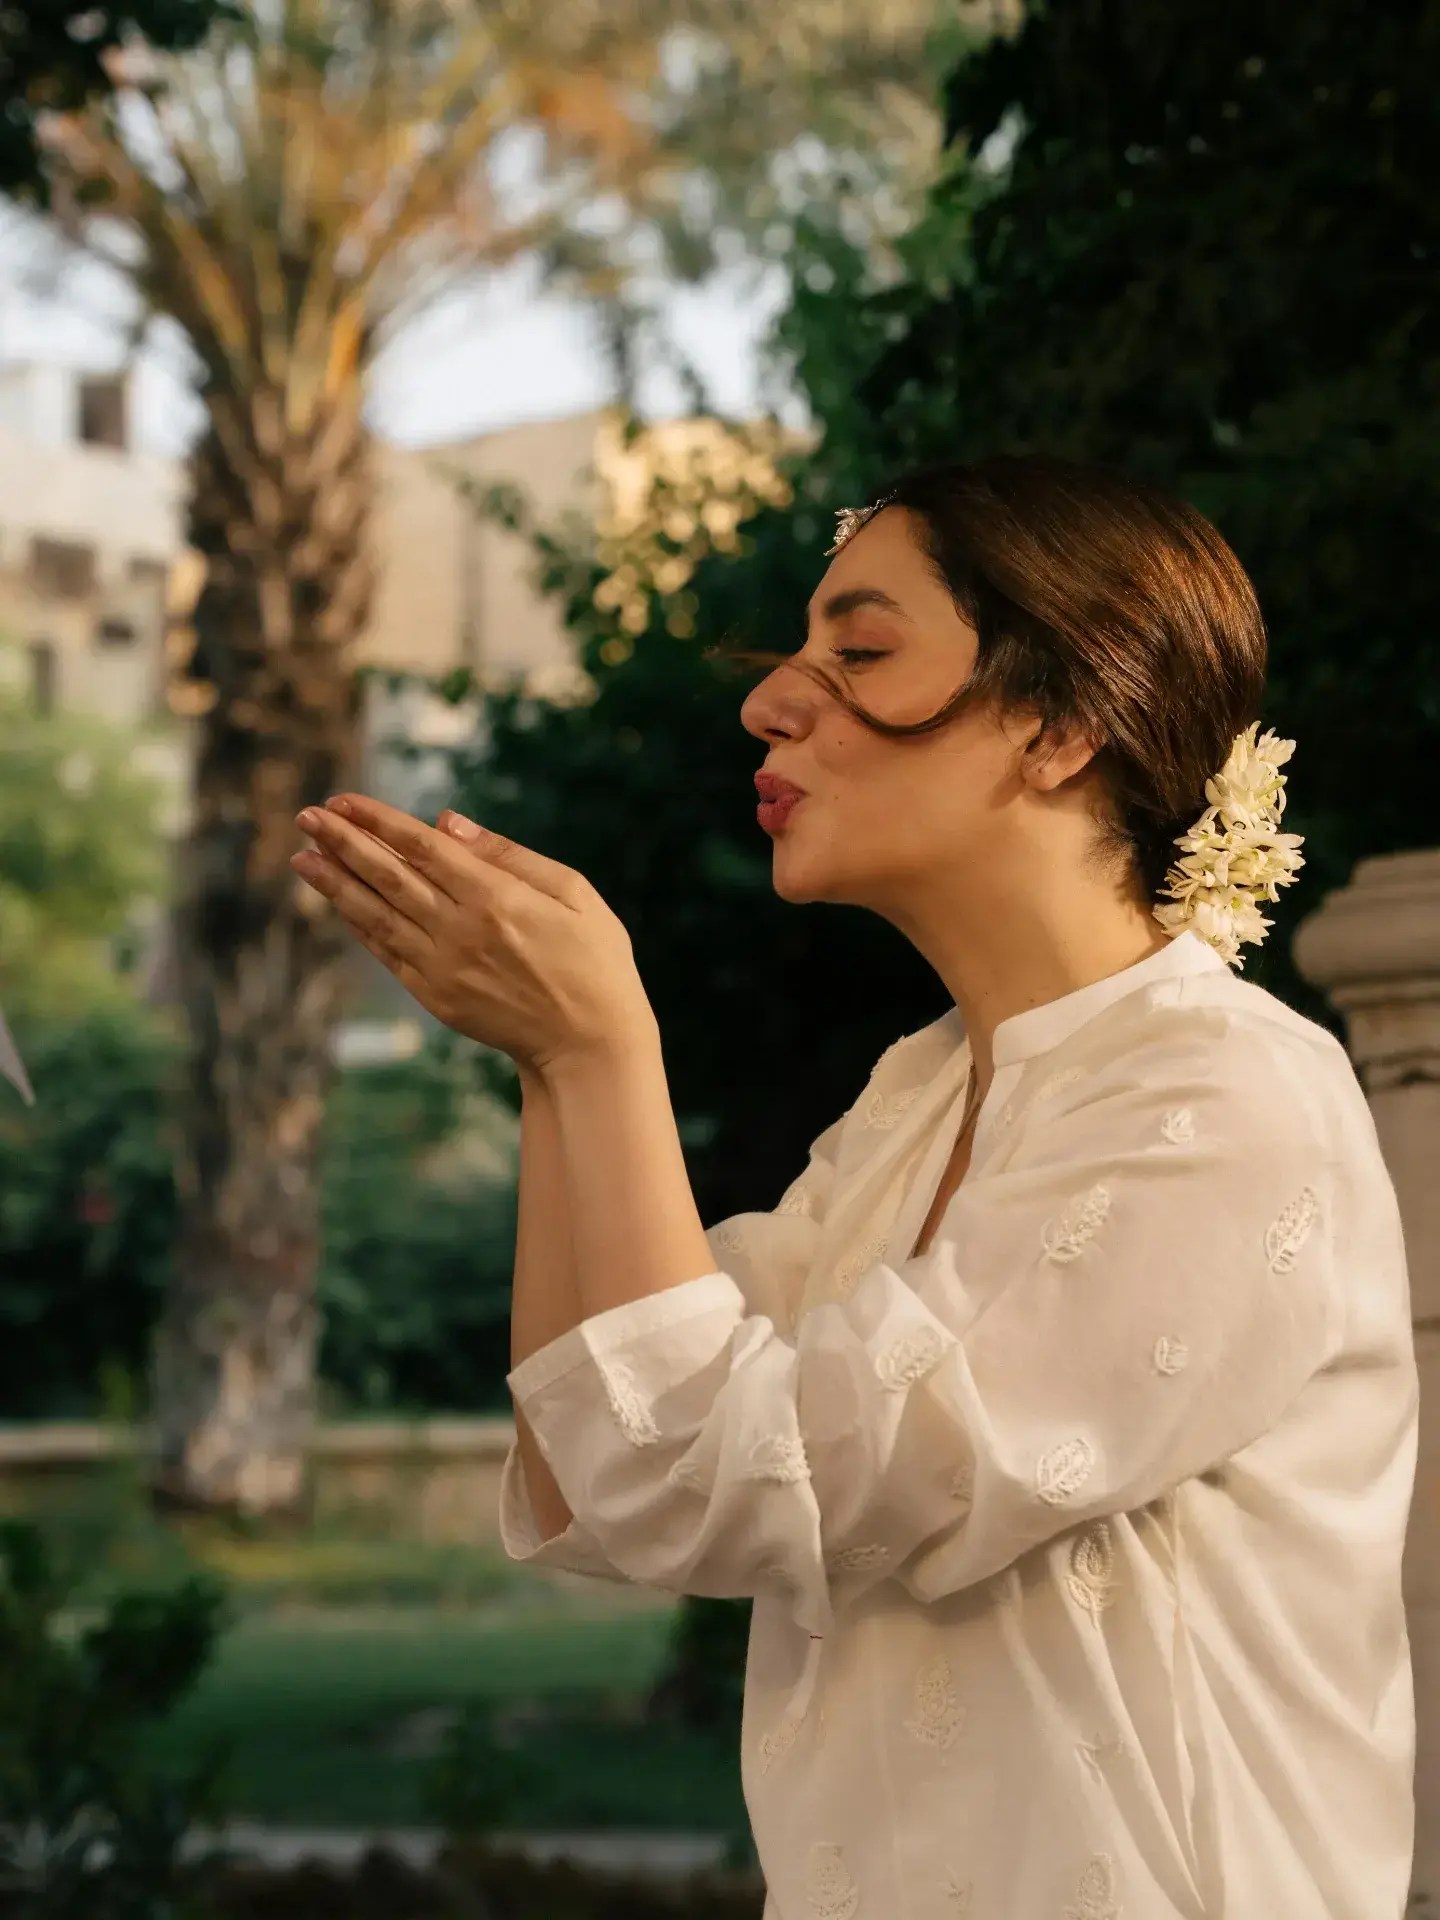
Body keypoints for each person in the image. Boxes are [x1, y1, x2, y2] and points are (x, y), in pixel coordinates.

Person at [495, 457, 1417, 1918]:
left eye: (860, 653)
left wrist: (599, 1048)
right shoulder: (918, 1097)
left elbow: (759, 1481)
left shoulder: (1226, 1097)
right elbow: (607, 1472)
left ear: (1060, 724)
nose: (770, 702)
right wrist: (549, 1066)